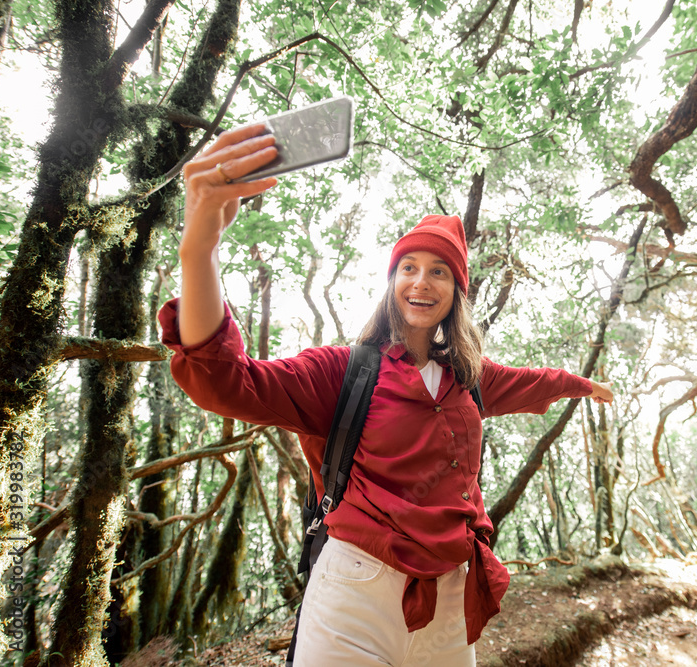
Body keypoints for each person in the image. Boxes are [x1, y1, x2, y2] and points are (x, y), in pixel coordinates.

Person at [159, 124, 614, 666]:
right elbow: (226, 381)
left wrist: (576, 383)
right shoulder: (344, 372)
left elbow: (529, 381)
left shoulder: (467, 377)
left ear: (456, 293)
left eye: (439, 272)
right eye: (409, 268)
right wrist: (200, 246)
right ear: (392, 281)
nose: (422, 282)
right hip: (356, 589)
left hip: (452, 595)